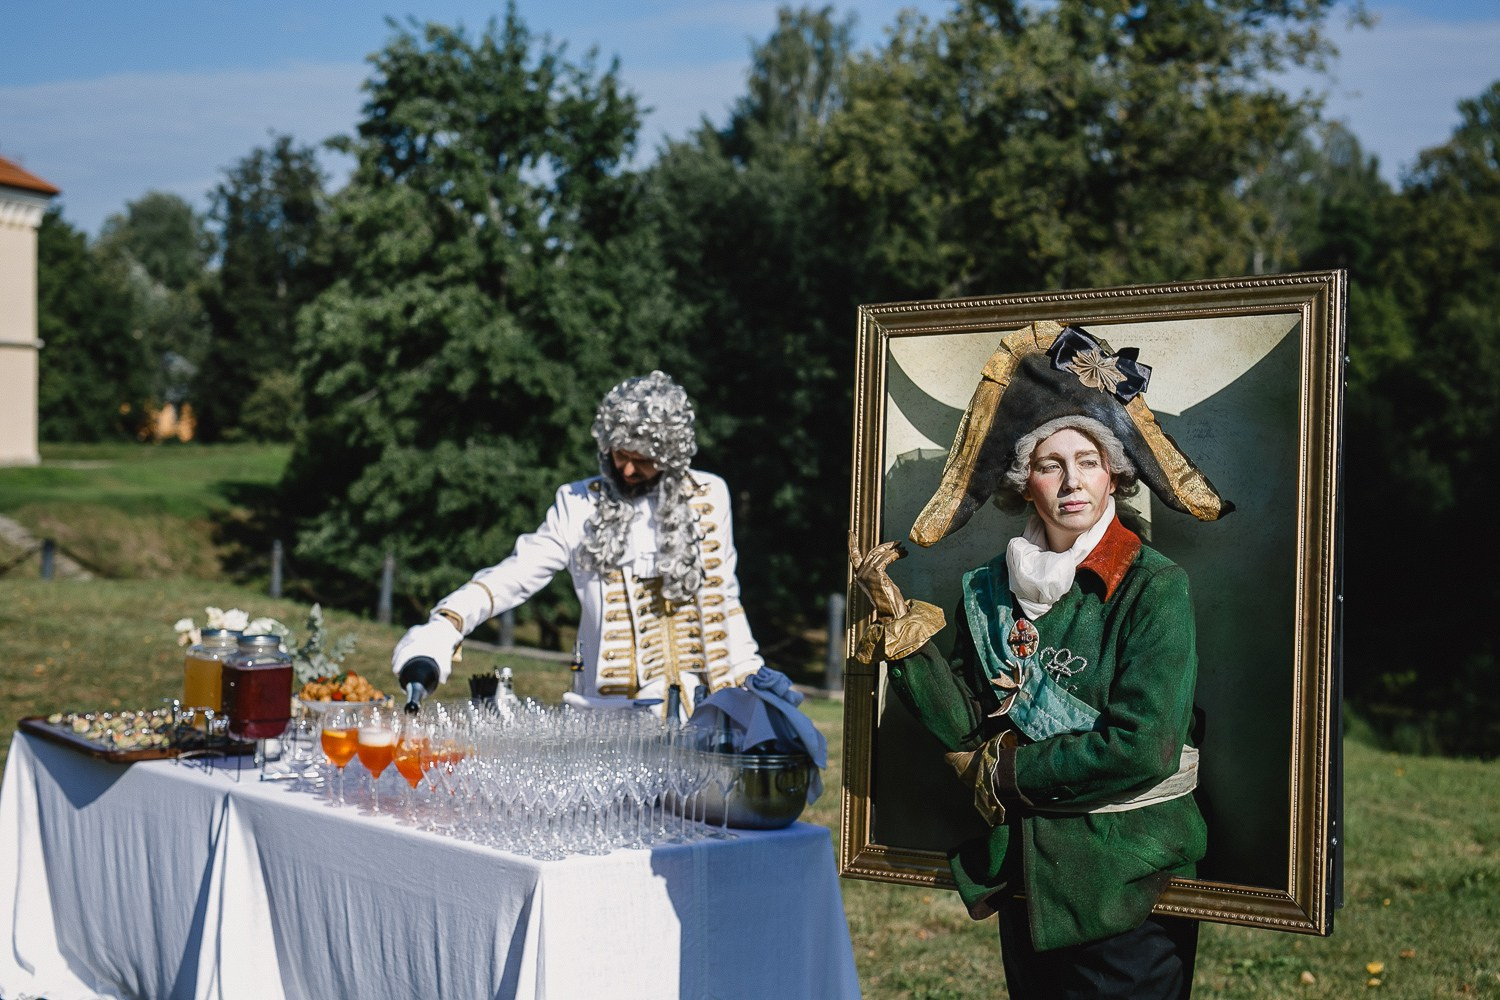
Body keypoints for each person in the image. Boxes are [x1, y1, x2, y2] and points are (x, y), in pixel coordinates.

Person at [850, 321, 1232, 1000]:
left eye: (1089, 461)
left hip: (1125, 881)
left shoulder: (1155, 586)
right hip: (1029, 876)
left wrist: (1007, 770)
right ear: (1024, 481)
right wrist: (894, 622)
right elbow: (961, 722)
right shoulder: (987, 589)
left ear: (1115, 475)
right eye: (1051, 463)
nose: (1072, 480)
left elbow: (1144, 746)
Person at [393, 370, 765, 716]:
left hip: (711, 712)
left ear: (671, 457)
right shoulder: (579, 503)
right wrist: (446, 623)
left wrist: (754, 680)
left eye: (644, 460)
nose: (629, 471)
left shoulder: (711, 495)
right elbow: (515, 574)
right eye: (621, 455)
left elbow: (724, 596)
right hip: (613, 719)